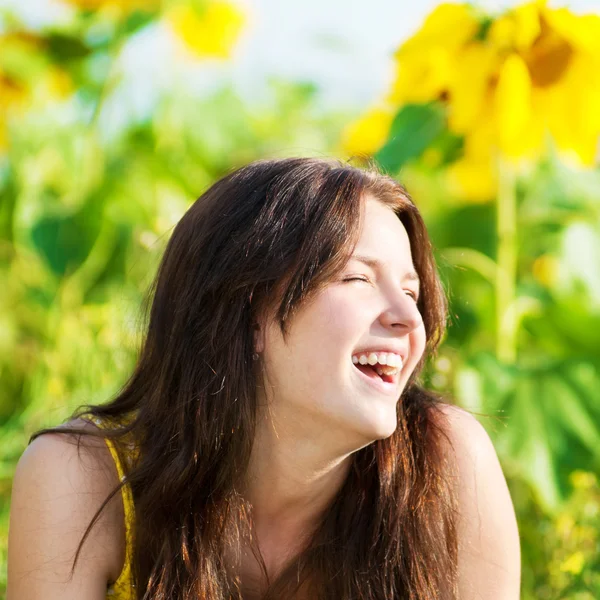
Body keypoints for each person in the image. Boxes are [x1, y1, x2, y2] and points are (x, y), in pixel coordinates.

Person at [7, 157, 521, 599]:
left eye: (410, 293)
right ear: (244, 314)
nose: (409, 319)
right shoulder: (83, 479)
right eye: (358, 279)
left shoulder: (444, 465)